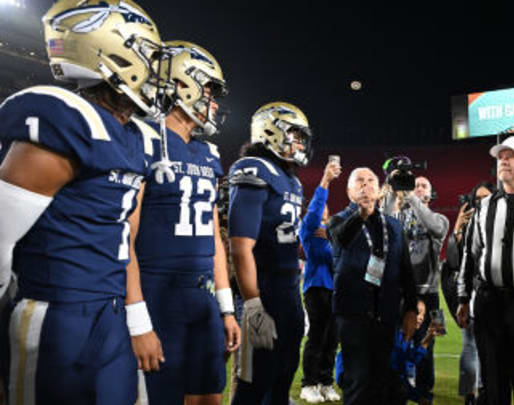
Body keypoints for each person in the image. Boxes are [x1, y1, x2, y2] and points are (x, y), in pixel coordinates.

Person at [0, 1, 171, 403]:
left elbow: (124, 240)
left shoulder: (135, 137)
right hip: (52, 311)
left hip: (109, 311)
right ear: (110, 51)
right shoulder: (66, 118)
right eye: (147, 55)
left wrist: (137, 319)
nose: (154, 71)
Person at [126, 41, 241, 405]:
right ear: (181, 84)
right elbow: (123, 236)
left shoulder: (208, 152)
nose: (214, 103)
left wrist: (225, 306)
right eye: (209, 91)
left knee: (210, 396)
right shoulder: (141, 136)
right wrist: (137, 319)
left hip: (202, 294)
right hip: (157, 292)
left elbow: (214, 238)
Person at [227, 102, 312, 405]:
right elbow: (240, 246)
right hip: (263, 291)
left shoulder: (292, 180)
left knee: (283, 377)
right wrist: (252, 305)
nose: (300, 143)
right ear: (270, 131)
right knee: (254, 382)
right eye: (295, 135)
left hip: (289, 292)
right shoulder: (254, 168)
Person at [456, 136, 514, 405]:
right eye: (500, 156)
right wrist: (462, 298)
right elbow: (470, 255)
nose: (503, 160)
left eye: (511, 155)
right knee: (492, 385)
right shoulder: (485, 206)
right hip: (489, 302)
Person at [327, 167, 418, 405]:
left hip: (386, 314)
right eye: (359, 181)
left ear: (379, 192)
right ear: (349, 191)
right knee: (358, 380)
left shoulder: (394, 226)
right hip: (353, 315)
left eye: (370, 182)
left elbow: (406, 270)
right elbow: (340, 240)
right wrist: (361, 215)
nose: (365, 186)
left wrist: (410, 308)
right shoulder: (338, 221)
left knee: (381, 381)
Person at [381, 175, 449, 405]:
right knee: (394, 342)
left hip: (429, 293)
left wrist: (411, 196)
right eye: (414, 184)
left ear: (431, 194)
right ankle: (394, 386)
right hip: (400, 291)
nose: (417, 188)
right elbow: (385, 220)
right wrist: (392, 190)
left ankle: (424, 393)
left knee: (427, 344)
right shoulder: (400, 217)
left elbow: (434, 228)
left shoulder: (440, 219)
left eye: (423, 186)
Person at [299, 160, 342, 404]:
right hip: (317, 289)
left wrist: (334, 237)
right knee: (317, 337)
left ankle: (326, 382)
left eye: (326, 206)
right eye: (321, 206)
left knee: (332, 339)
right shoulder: (309, 227)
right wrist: (325, 181)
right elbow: (314, 210)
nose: (324, 209)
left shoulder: (332, 234)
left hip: (335, 290)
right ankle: (309, 384)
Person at [445, 183, 492, 405]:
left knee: (486, 347)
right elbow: (454, 261)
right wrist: (457, 231)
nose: (481, 203)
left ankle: (482, 391)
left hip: (491, 294)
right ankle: (470, 394)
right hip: (471, 294)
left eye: (486, 198)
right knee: (471, 344)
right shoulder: (469, 225)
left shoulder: (497, 221)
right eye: (478, 199)